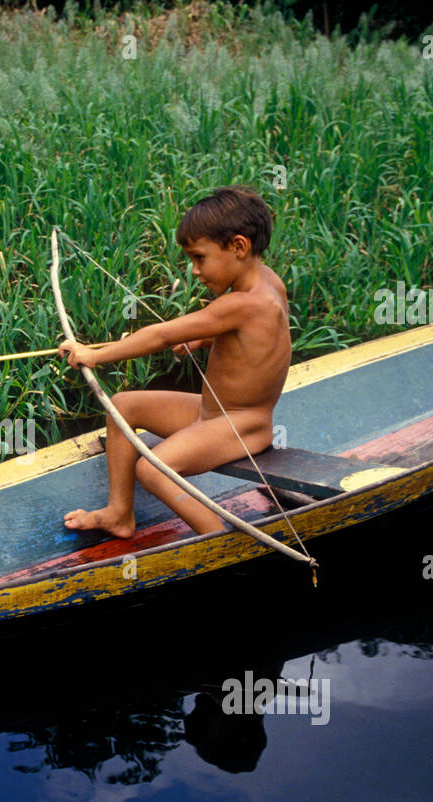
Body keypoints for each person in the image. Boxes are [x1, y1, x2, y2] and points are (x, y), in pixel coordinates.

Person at [59, 187, 290, 539]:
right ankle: (120, 513)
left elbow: (161, 336)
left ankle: (216, 537)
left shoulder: (240, 304)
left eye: (200, 258)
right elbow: (260, 336)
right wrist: (206, 337)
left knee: (153, 470)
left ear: (239, 247)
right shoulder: (268, 285)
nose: (195, 270)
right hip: (213, 413)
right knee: (123, 407)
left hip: (241, 426)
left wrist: (93, 354)